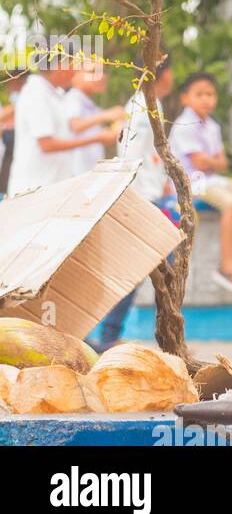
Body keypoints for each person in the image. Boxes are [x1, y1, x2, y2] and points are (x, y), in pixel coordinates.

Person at [93, 55, 176, 350]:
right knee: (159, 273)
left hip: (152, 198)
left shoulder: (149, 105)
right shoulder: (142, 109)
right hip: (144, 201)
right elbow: (129, 156)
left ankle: (112, 336)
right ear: (161, 74)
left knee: (155, 273)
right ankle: (115, 336)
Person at [169, 72, 232, 292]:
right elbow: (200, 162)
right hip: (191, 182)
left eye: (210, 94)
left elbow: (222, 162)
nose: (206, 99)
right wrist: (212, 161)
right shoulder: (184, 123)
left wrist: (211, 161)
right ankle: (226, 267)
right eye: (199, 94)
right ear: (185, 98)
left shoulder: (212, 126)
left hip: (211, 179)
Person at [7, 49, 119, 197]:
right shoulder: (36, 93)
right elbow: (46, 144)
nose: (75, 72)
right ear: (59, 65)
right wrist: (97, 138)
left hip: (51, 188)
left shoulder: (56, 95)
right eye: (73, 65)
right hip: (32, 191)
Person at [64, 56, 126, 176]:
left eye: (102, 72)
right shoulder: (73, 98)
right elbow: (75, 126)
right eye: (93, 72)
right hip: (77, 175)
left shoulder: (89, 103)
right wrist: (105, 115)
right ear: (75, 74)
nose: (101, 77)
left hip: (89, 173)